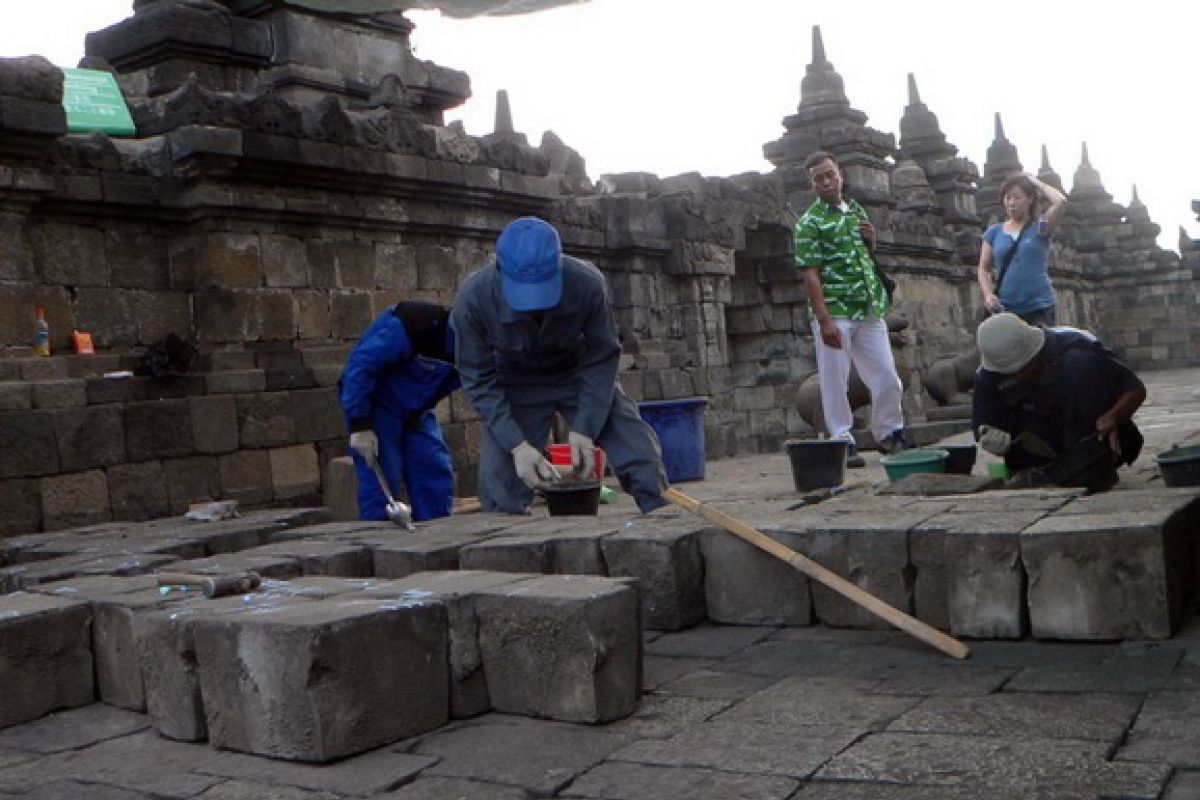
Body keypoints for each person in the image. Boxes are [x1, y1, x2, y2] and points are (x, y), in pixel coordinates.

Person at [450, 216, 668, 514]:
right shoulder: (474, 299)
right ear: (500, 271)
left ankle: (659, 513)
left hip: (576, 374)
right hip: (516, 381)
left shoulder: (587, 283)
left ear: (559, 266)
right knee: (499, 484)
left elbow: (603, 353)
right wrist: (516, 445)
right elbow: (477, 378)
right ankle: (508, 548)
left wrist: (585, 427)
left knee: (639, 452)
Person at [793, 150, 910, 467]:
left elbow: (864, 257)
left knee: (887, 376)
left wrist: (871, 242)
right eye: (819, 179)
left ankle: (889, 433)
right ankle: (842, 440)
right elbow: (810, 274)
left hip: (868, 306)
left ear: (840, 175)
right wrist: (824, 319)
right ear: (812, 186)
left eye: (831, 175)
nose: (827, 182)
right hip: (835, 309)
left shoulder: (855, 210)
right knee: (835, 381)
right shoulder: (809, 223)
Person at [972, 313, 1145, 491]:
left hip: (1094, 442)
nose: (1016, 375)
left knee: (1078, 365)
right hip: (1039, 454)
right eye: (1010, 372)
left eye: (1020, 369)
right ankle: (1040, 472)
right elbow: (984, 425)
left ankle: (1092, 468)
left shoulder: (1077, 345)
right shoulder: (988, 375)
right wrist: (993, 439)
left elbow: (1135, 389)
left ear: (1034, 352)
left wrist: (1113, 416)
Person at [338, 301, 460, 522]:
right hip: (378, 406)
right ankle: (378, 543)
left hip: (417, 410)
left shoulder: (482, 346)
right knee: (383, 479)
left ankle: (437, 538)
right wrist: (359, 424)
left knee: (433, 470)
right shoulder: (414, 324)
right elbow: (361, 366)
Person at [977, 172, 1068, 326]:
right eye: (1008, 198)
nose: (1012, 203)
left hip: (1040, 307)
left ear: (1030, 199)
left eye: (1017, 197)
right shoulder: (994, 232)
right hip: (1006, 308)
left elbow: (1060, 202)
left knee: (1043, 348)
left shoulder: (1040, 227)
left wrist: (1036, 183)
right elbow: (983, 268)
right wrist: (987, 294)